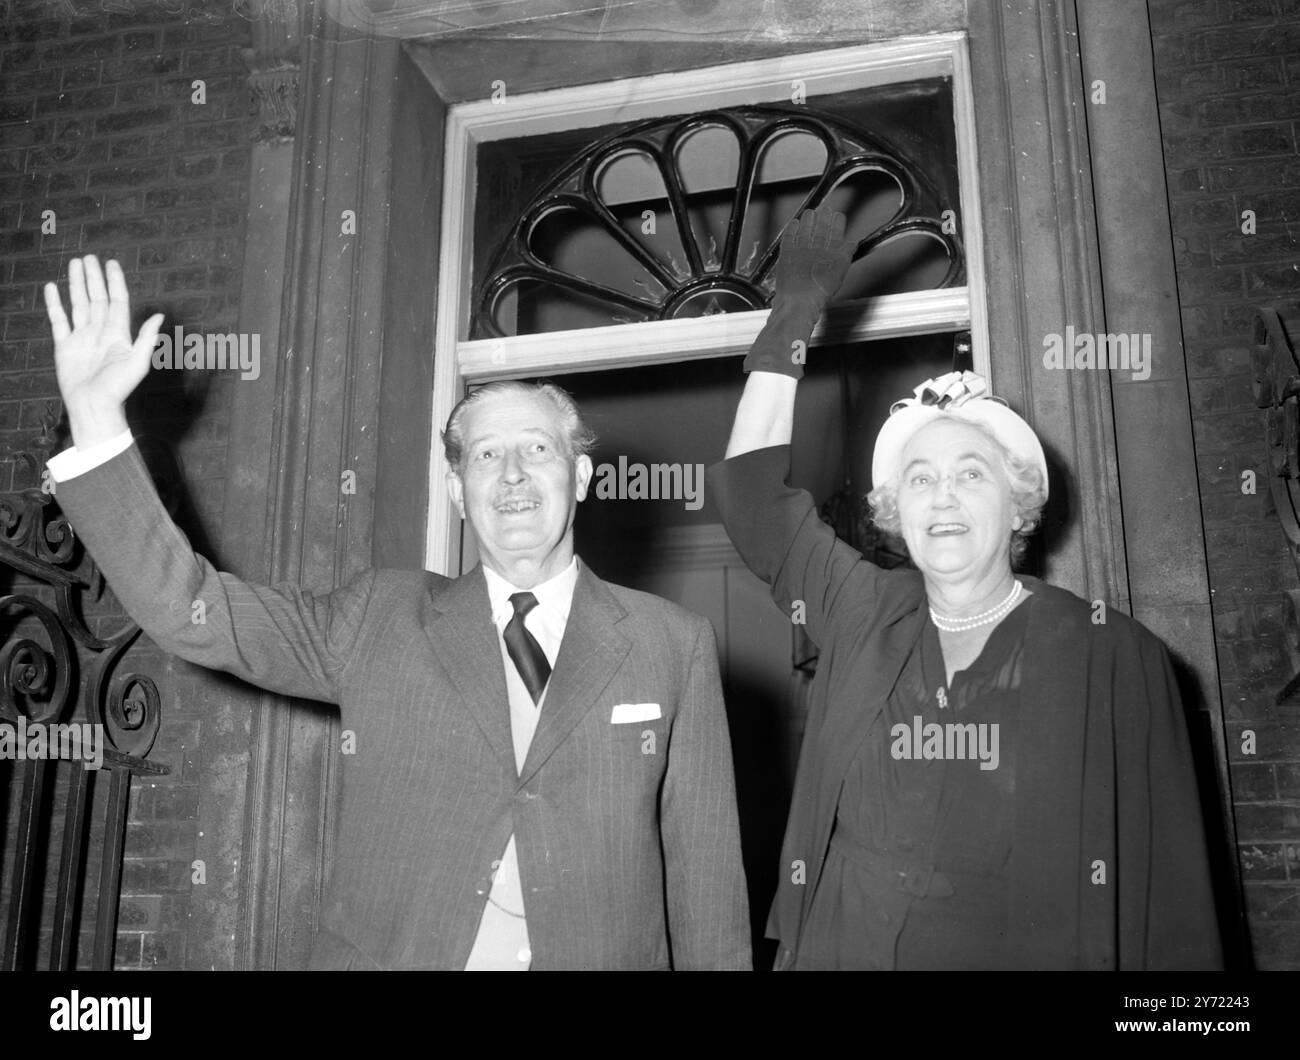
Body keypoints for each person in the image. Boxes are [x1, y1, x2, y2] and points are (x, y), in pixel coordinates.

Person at [42, 255, 750, 971]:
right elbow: (193, 612)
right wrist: (97, 421)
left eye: (538, 449)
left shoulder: (672, 643)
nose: (511, 475)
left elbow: (708, 881)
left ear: (583, 475)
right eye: (485, 455)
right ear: (455, 487)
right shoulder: (380, 617)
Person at [707, 205, 1223, 970]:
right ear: (894, 512)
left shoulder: (1111, 654)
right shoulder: (863, 610)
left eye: (968, 475)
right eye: (920, 479)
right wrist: (793, 317)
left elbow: (1171, 904)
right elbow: (752, 498)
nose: (941, 498)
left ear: (1018, 505)